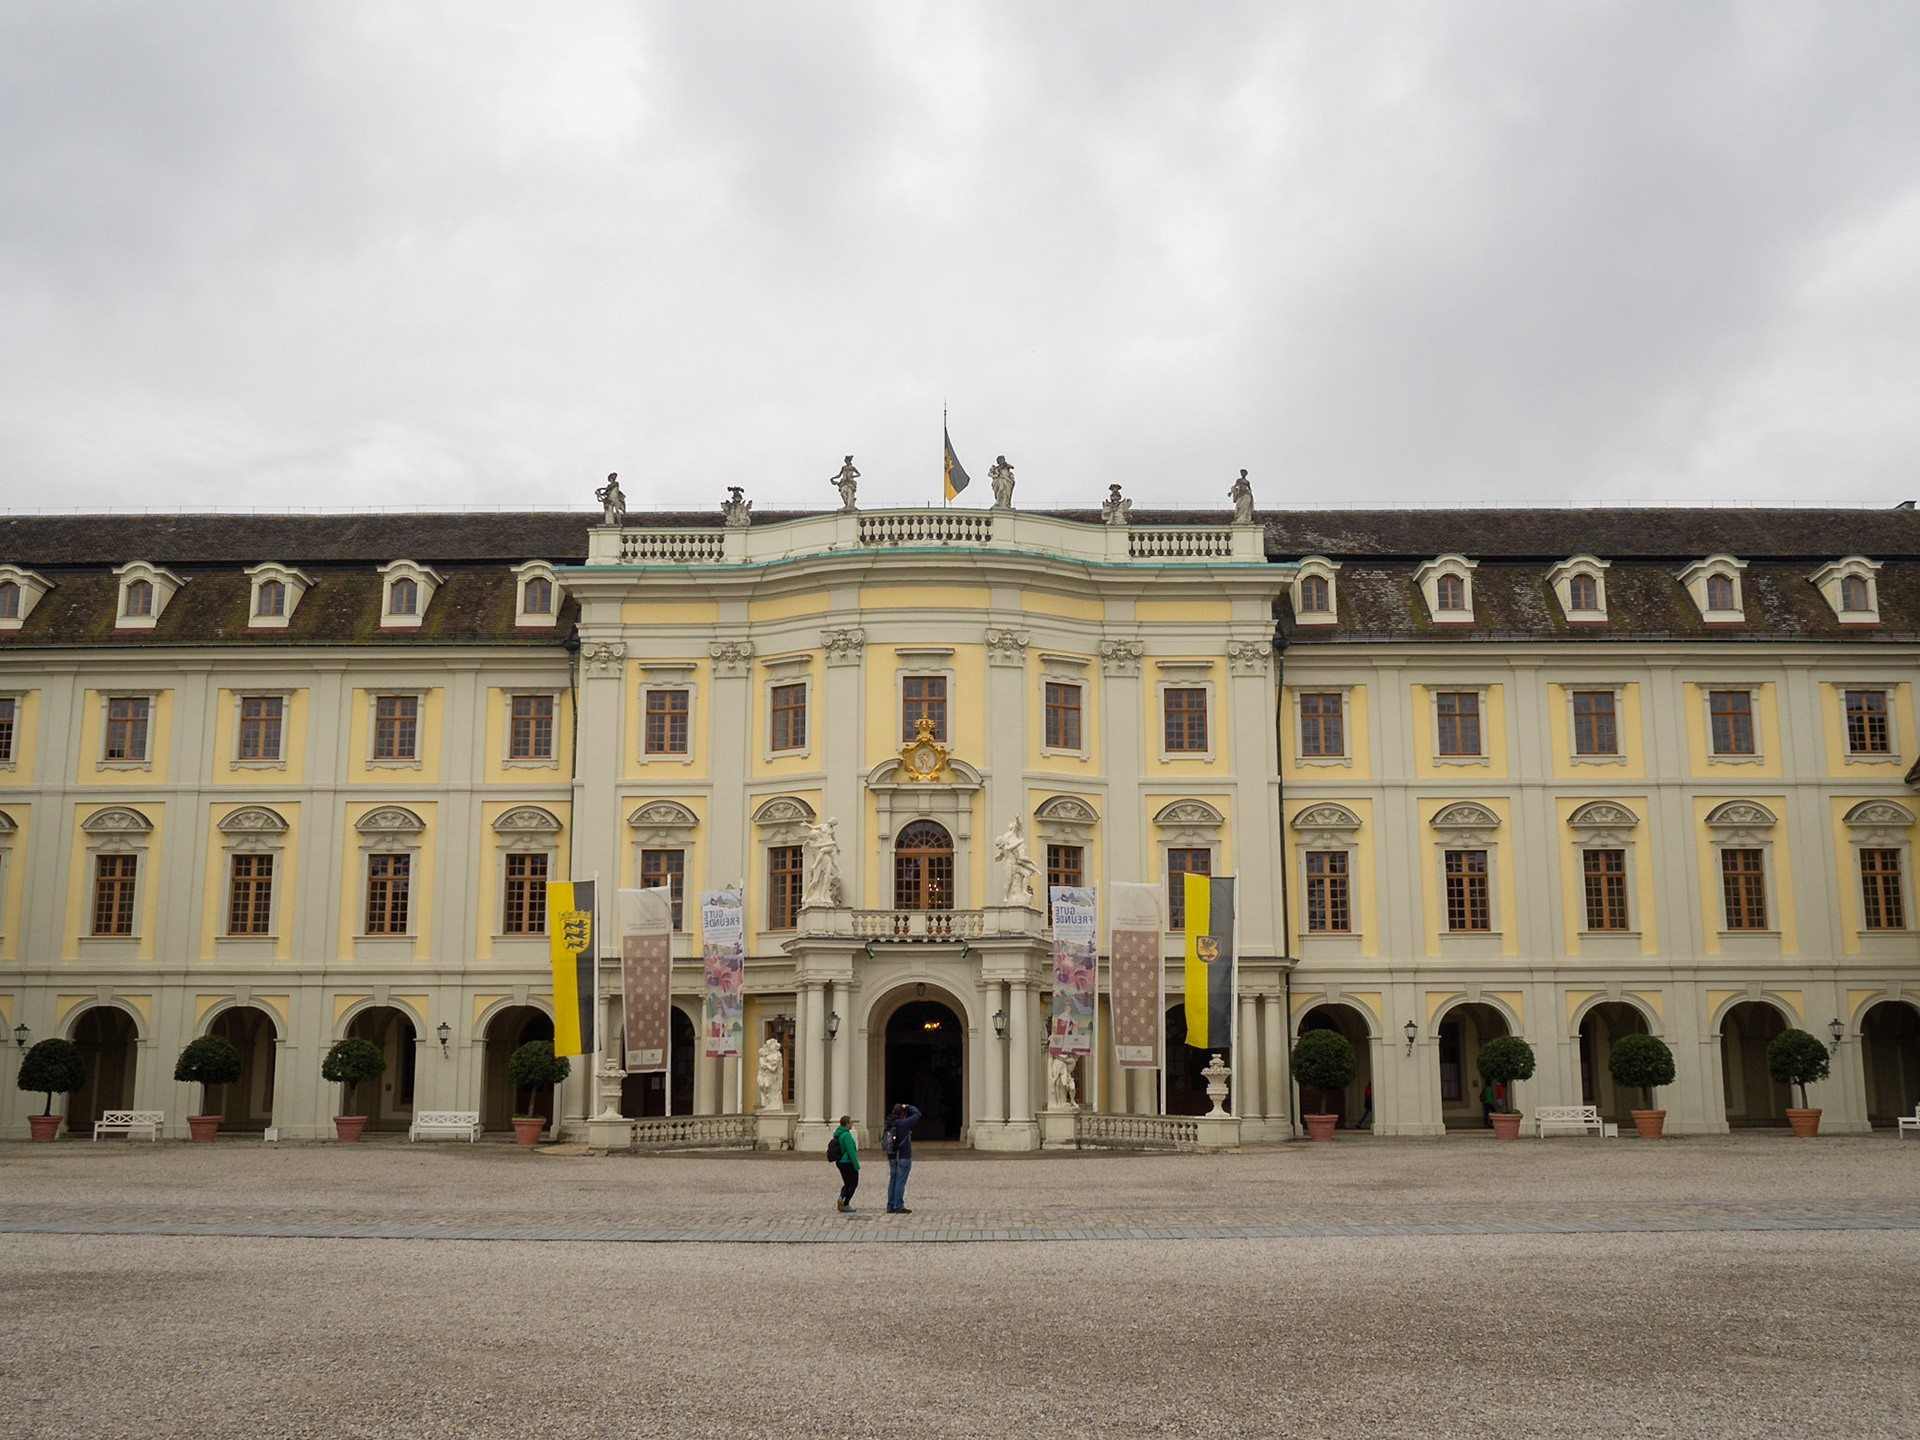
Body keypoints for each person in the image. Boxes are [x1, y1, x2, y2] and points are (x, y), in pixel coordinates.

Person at [883, 1101, 921, 1214]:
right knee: (900, 1181)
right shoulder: (903, 1124)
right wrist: (908, 1106)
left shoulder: (888, 1123)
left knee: (893, 1180)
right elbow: (917, 1114)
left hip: (891, 1155)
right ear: (903, 1114)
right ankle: (898, 1205)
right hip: (903, 1155)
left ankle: (890, 1205)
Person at [831, 1114, 859, 1212]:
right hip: (847, 1162)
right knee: (853, 1183)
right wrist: (856, 1165)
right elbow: (851, 1151)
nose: (852, 1124)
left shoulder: (839, 1133)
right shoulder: (846, 1135)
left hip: (840, 1162)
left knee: (847, 1183)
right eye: (851, 1122)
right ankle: (846, 1203)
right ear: (847, 1124)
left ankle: (841, 1198)